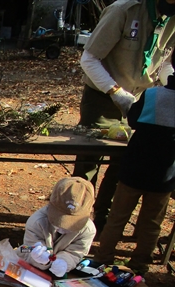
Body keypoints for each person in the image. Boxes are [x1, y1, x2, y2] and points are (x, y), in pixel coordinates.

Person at [72, 0, 175, 234]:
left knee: (122, 161)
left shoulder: (172, 18)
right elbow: (89, 59)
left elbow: (167, 63)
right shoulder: (123, 11)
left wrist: (169, 88)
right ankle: (75, 216)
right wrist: (116, 92)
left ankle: (102, 218)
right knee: (89, 160)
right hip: (102, 96)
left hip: (140, 100)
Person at [95, 56, 175, 275]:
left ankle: (103, 257)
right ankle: (140, 264)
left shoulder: (152, 95)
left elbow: (133, 119)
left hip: (134, 169)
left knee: (117, 217)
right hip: (164, 176)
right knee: (151, 224)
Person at [18, 177, 96, 277]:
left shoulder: (87, 229)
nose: (64, 227)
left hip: (62, 276)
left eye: (72, 223)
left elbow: (76, 252)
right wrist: (36, 256)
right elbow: (25, 248)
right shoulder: (37, 221)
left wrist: (65, 262)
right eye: (59, 220)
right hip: (28, 270)